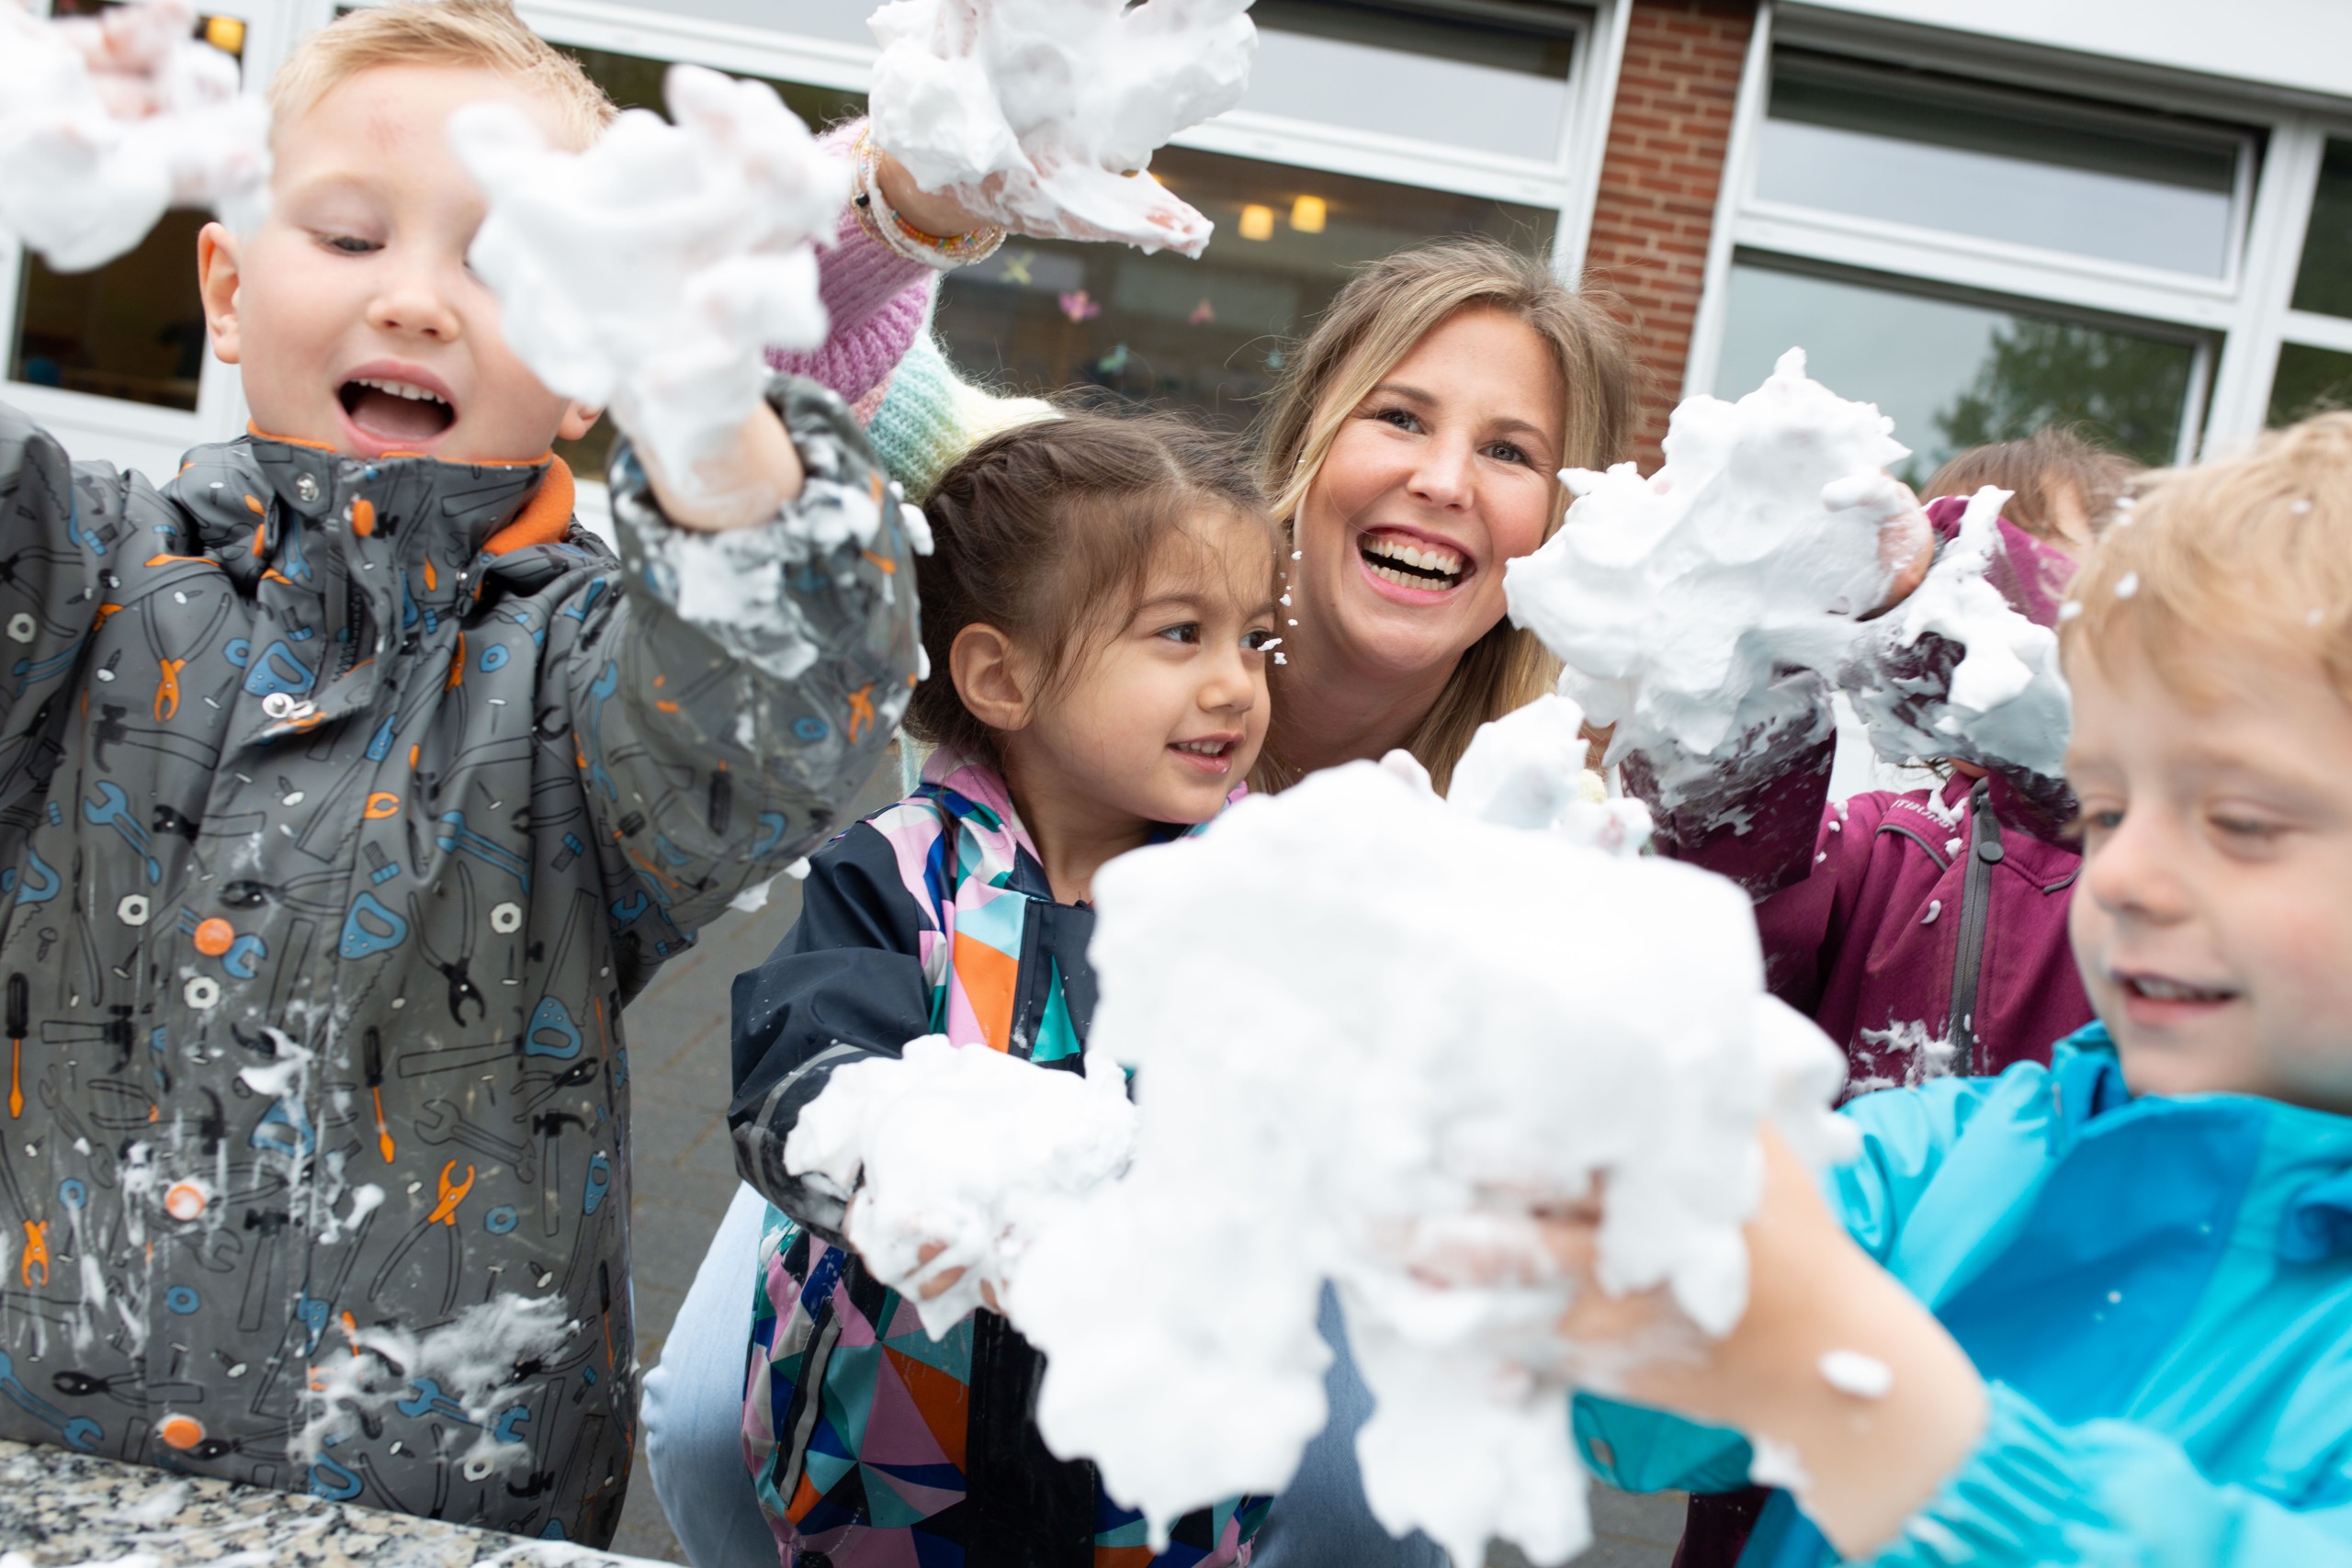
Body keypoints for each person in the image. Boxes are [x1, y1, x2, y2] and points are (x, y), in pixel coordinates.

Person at [0, 0, 916, 1546]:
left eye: (505, 269)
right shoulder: (80, 575)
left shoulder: (584, 674)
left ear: (586, 366)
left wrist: (701, 394)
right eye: (350, 235)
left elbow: (786, 697)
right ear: (224, 285)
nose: (416, 300)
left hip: (430, 1501)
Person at [1555, 411, 2352, 1566]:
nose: (2122, 873)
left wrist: (1915, 1444)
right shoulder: (1964, 1157)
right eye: (2108, 808)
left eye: (2238, 820)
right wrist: (1607, 1237)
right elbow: (1638, 1407)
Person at [724, 413, 1282, 1565]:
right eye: (1181, 634)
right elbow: (800, 1060)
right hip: (886, 1455)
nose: (1235, 684)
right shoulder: (902, 870)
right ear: (1002, 674)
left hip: (1158, 1465)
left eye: (1255, 640)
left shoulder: (1258, 892)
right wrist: (888, 1149)